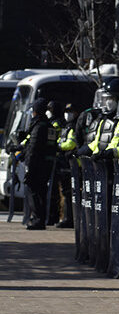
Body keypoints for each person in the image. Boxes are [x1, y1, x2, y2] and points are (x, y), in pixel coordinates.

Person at [21, 98, 59, 229]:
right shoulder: (50, 126)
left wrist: (29, 168)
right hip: (47, 164)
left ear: (36, 111)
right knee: (41, 192)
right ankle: (40, 219)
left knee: (34, 191)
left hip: (37, 165)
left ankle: (38, 220)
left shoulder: (39, 126)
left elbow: (33, 149)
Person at [54, 102, 79, 228]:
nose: (67, 114)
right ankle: (65, 217)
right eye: (66, 111)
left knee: (69, 193)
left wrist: (58, 146)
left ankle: (69, 219)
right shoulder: (66, 126)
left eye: (70, 111)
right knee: (64, 192)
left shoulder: (74, 127)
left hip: (70, 163)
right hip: (63, 162)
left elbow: (71, 144)